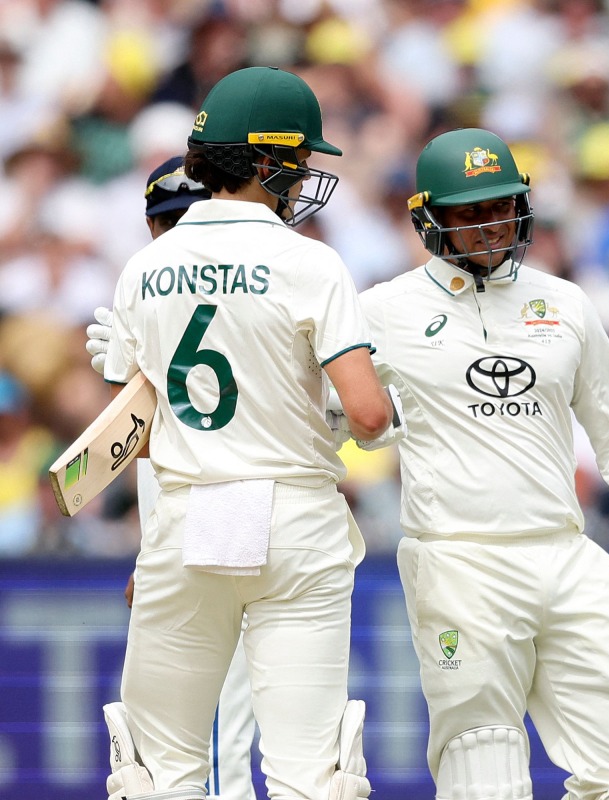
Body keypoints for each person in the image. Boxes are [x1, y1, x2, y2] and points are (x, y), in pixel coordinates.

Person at [357, 127, 609, 800]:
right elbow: (318, 419)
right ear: (427, 218)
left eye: (500, 206)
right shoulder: (380, 311)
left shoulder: (566, 303)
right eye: (469, 212)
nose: (490, 225)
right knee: (483, 766)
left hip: (565, 551)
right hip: (458, 560)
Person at [98, 66, 391, 800]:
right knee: (306, 778)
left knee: (161, 775)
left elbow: (131, 430)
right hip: (295, 517)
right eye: (295, 161)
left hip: (188, 513)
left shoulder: (143, 269)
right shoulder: (311, 262)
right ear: (264, 161)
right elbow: (368, 416)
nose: (301, 177)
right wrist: (337, 409)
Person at [89, 155, 259, 800]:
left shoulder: (241, 288)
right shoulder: (149, 294)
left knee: (219, 730)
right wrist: (153, 546)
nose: (180, 234)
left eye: (191, 217)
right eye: (167, 223)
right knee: (173, 736)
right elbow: (143, 450)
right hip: (185, 526)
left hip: (233, 517)